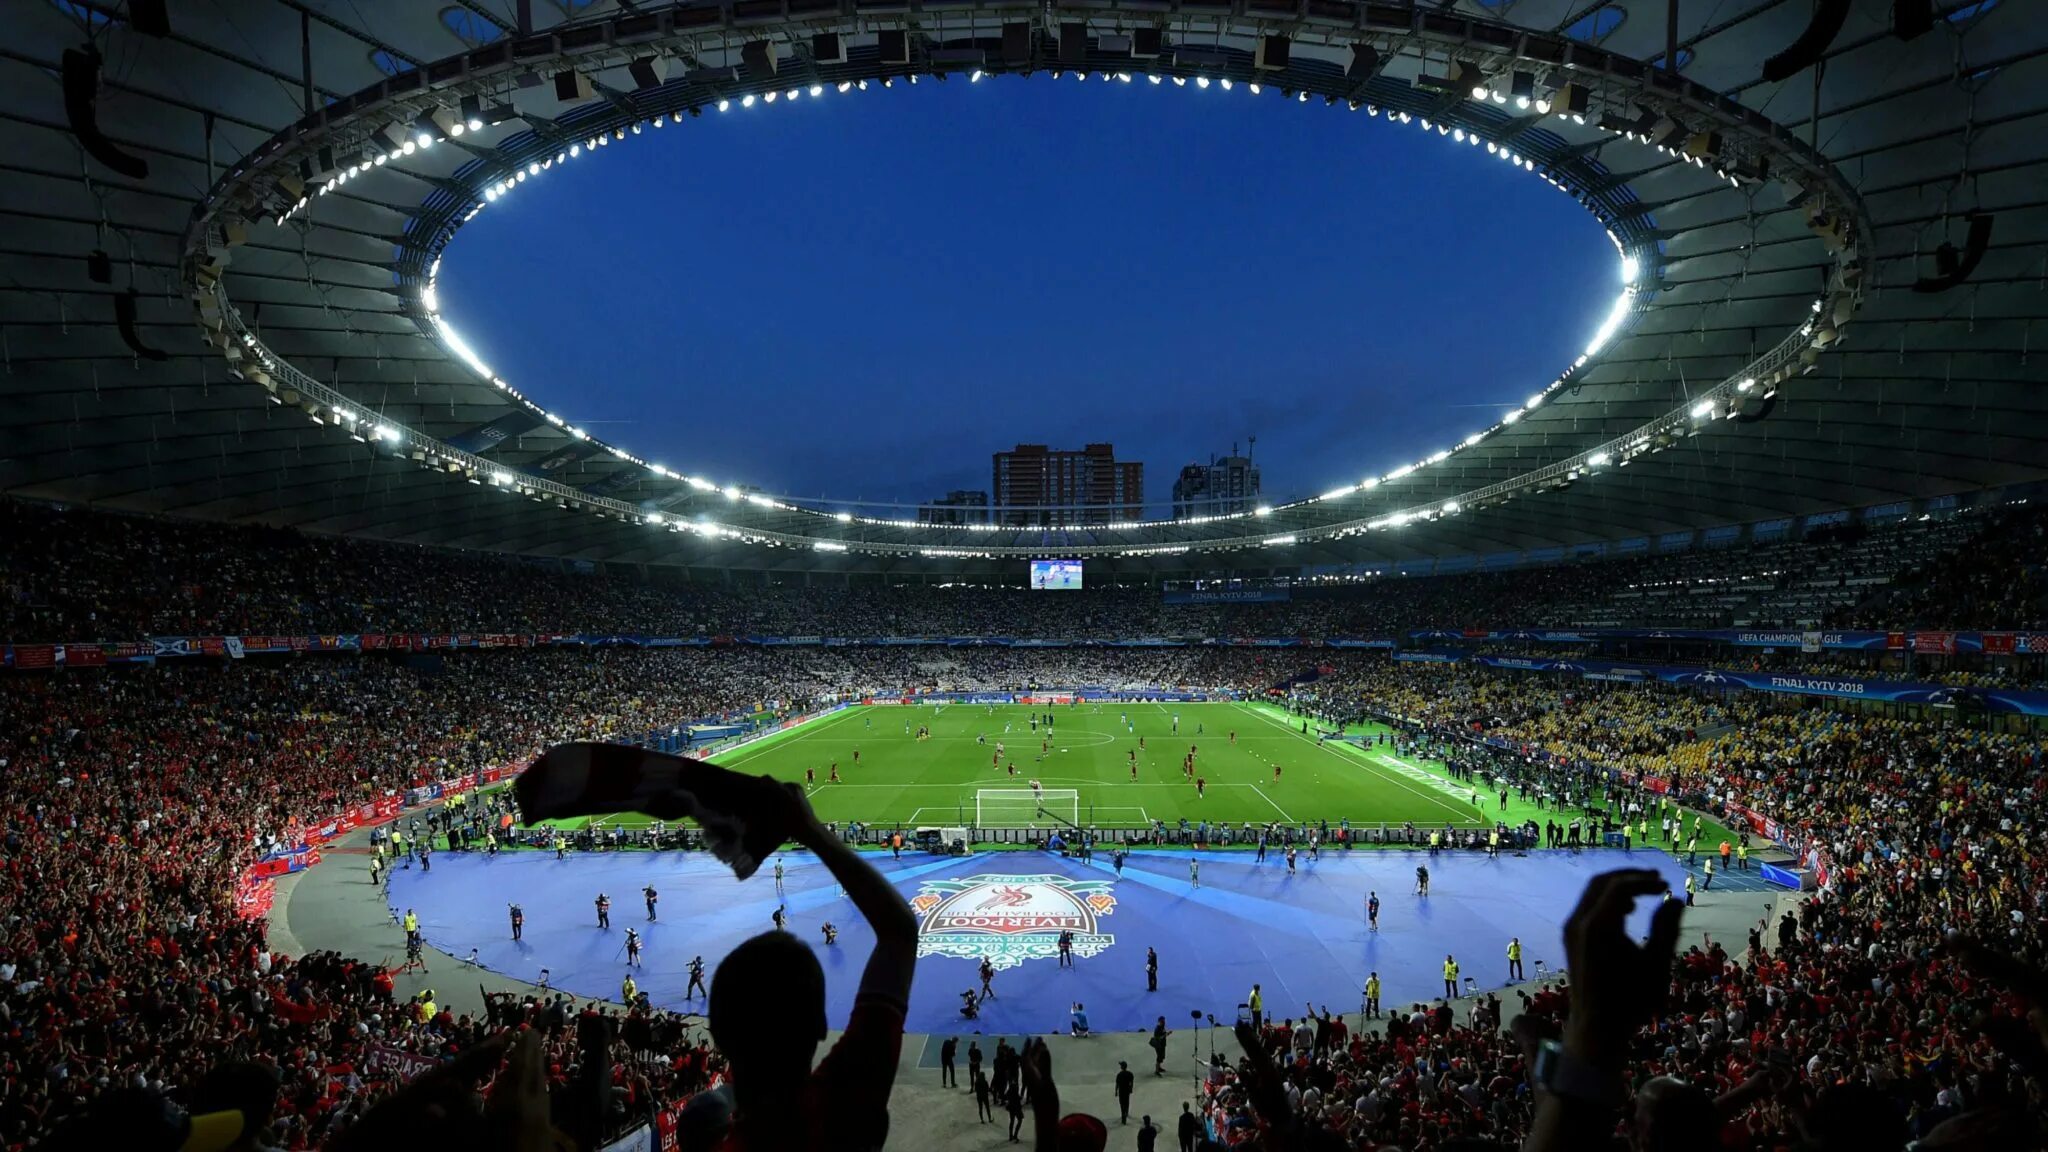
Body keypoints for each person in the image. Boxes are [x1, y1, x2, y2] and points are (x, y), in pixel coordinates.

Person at [706, 782, 917, 1152]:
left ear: (718, 1037)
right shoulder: (842, 1109)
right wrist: (811, 830)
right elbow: (898, 932)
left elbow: (899, 935)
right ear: (821, 1026)